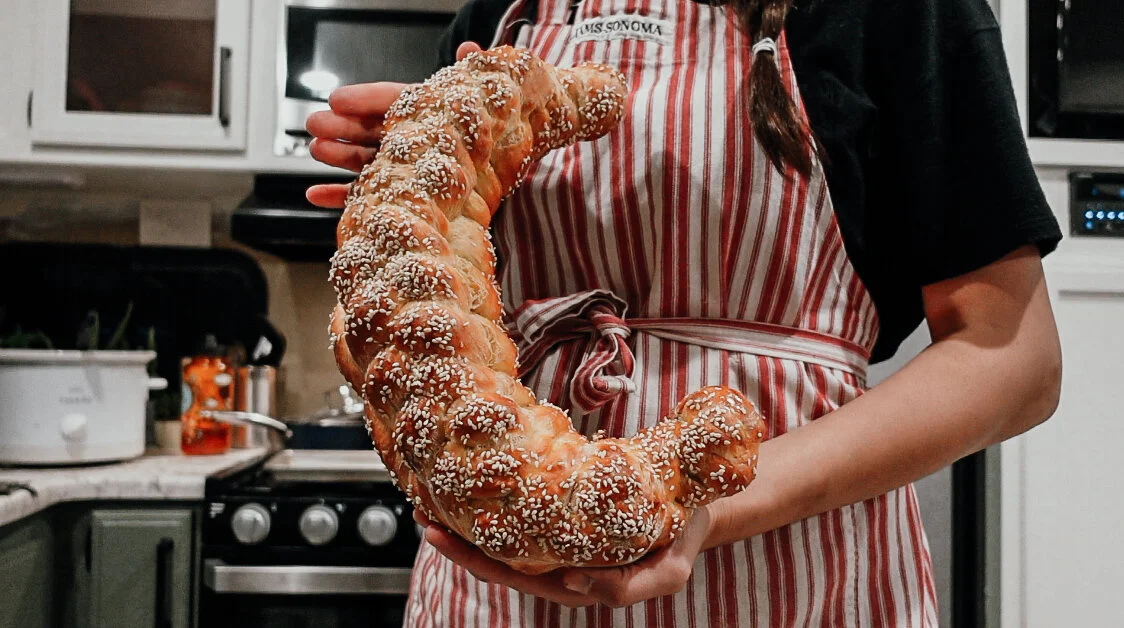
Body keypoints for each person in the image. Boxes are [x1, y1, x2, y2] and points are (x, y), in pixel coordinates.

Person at [305, 0, 1064, 625]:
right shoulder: (505, 13)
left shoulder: (898, 14)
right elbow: (443, 316)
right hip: (492, 592)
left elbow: (1013, 360)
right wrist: (411, 182)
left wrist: (707, 511)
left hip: (800, 585)